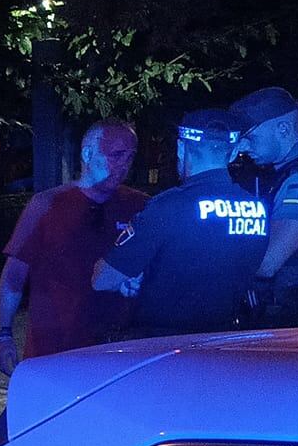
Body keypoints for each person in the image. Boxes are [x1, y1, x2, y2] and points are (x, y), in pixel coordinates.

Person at [93, 108, 269, 336]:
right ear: (233, 152)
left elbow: (102, 279)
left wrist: (137, 276)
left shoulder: (167, 206)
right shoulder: (258, 209)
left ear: (181, 148)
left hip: (163, 346)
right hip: (222, 346)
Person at [0, 120, 145, 378]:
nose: (124, 165)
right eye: (116, 155)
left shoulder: (139, 206)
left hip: (117, 354)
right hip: (54, 352)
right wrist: (3, 335)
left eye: (130, 157)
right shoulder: (48, 205)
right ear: (87, 153)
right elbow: (14, 276)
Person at [231, 86, 298, 325]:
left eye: (249, 137)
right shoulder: (281, 174)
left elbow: (268, 262)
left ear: (283, 128)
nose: (243, 148)